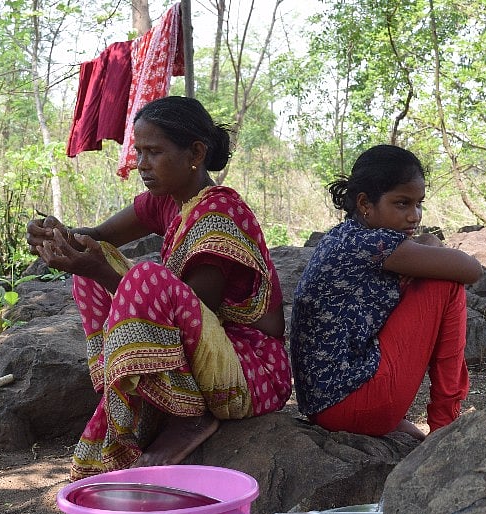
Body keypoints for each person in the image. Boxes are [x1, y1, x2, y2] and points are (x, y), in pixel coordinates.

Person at [26, 96, 291, 480]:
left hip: (252, 370)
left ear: (195, 153)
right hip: (207, 358)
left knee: (144, 277)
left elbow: (190, 315)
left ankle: (190, 418)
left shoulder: (217, 217)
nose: (141, 163)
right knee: (95, 263)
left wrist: (103, 271)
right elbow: (98, 236)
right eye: (138, 151)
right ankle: (141, 394)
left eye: (154, 152)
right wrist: (57, 235)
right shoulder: (167, 200)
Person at [290, 144, 483, 440]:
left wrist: (428, 244)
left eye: (419, 204)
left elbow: (429, 244)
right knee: (445, 283)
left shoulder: (345, 236)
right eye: (402, 203)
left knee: (434, 268)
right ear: (365, 203)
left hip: (322, 406)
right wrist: (430, 248)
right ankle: (445, 423)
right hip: (350, 402)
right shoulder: (373, 244)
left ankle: (408, 421)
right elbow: (471, 270)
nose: (414, 216)